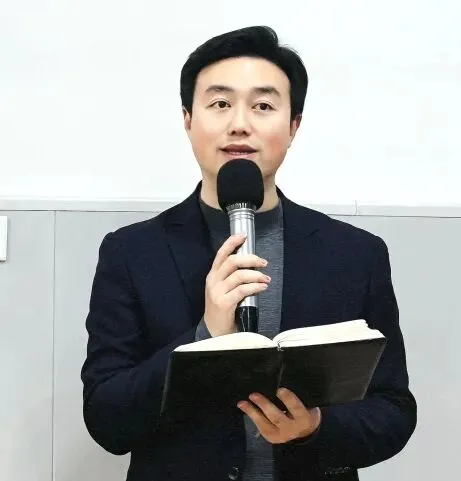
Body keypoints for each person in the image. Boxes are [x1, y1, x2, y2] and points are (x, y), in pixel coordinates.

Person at [81, 26, 417, 481]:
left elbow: (394, 411)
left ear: (294, 126)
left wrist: (316, 427)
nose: (239, 123)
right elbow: (106, 418)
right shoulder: (131, 252)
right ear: (188, 119)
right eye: (220, 103)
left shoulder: (355, 254)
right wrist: (203, 336)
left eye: (263, 106)